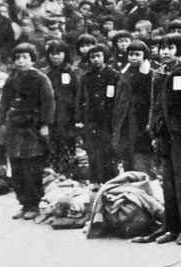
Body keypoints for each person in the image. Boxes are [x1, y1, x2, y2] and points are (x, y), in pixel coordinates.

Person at [143, 34, 181, 245]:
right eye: (163, 48)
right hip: (164, 135)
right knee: (167, 183)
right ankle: (171, 226)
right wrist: (154, 131)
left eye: (171, 48)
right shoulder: (158, 74)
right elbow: (154, 105)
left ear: (179, 51)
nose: (166, 52)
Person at [0, 43, 54, 220]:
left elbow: (48, 102)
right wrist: (1, 122)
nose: (21, 61)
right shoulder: (11, 79)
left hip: (32, 128)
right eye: (17, 58)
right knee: (16, 167)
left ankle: (35, 204)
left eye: (25, 58)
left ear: (32, 60)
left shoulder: (40, 78)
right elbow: (4, 102)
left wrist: (45, 124)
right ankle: (23, 204)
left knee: (32, 167)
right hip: (14, 128)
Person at [76, 44, 120, 185]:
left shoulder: (113, 75)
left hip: (108, 120)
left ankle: (111, 182)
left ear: (105, 57)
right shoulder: (86, 77)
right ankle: (95, 182)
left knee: (109, 152)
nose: (95, 60)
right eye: (92, 57)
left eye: (98, 56)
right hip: (92, 120)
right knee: (93, 153)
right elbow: (81, 98)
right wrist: (79, 119)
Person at [111, 40, 156, 177]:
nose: (133, 58)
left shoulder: (150, 74)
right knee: (127, 155)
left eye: (137, 54)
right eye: (131, 54)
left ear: (145, 56)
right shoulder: (124, 73)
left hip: (142, 120)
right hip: (126, 118)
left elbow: (153, 98)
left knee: (142, 156)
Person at [43, 41, 81, 176]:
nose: (55, 57)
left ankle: (67, 175)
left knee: (67, 145)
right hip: (50, 116)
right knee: (50, 147)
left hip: (67, 116)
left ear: (65, 54)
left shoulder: (72, 72)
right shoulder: (44, 73)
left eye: (58, 53)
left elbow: (79, 95)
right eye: (52, 54)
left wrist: (77, 117)